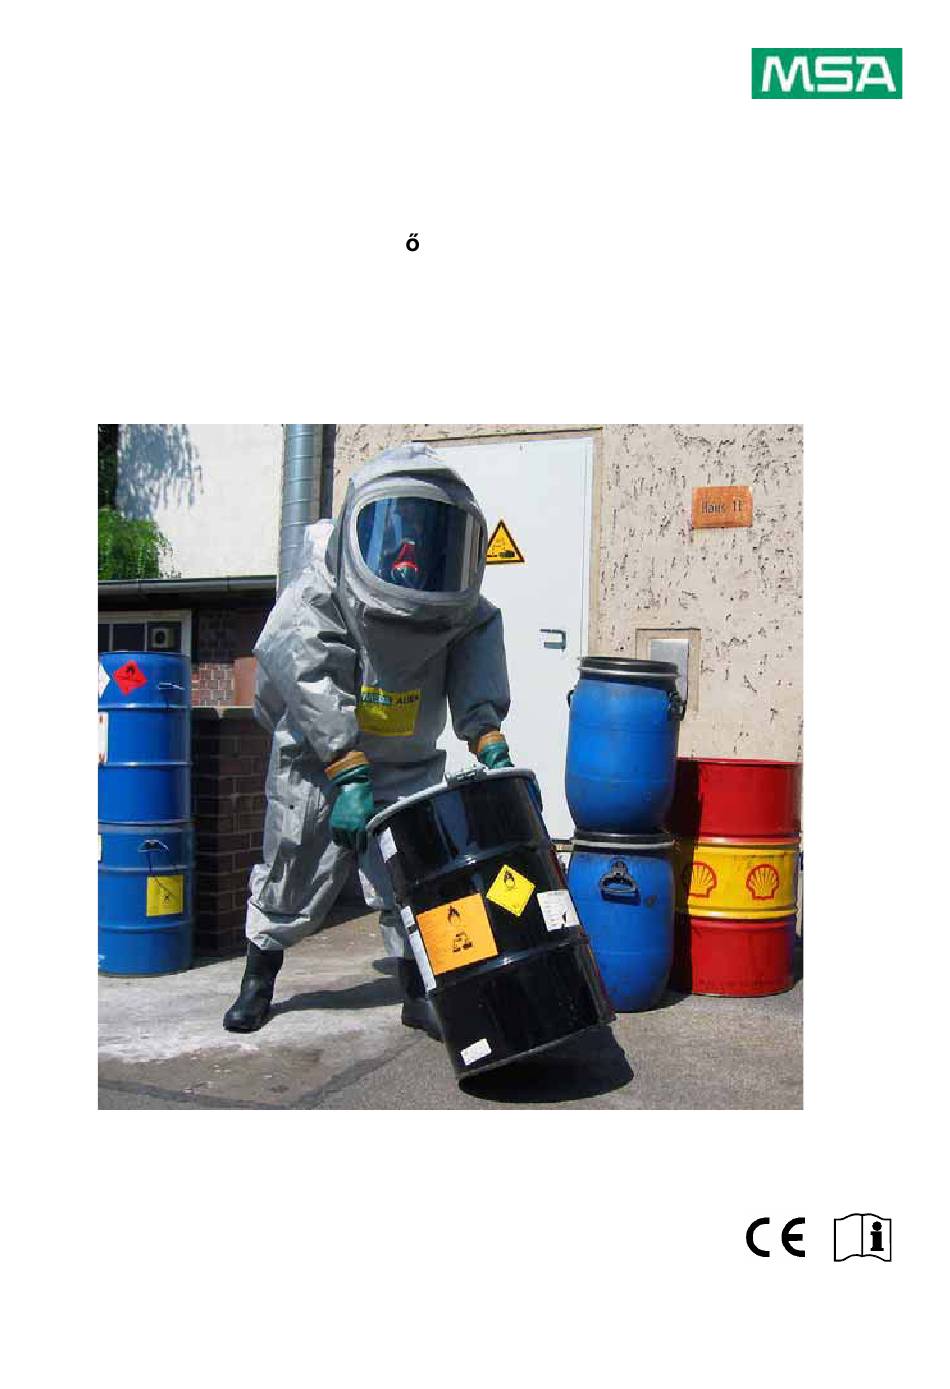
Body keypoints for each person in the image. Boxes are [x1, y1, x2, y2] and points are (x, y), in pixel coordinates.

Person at [223, 444, 513, 1036]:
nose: (410, 553)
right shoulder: (320, 591)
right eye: (400, 533)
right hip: (318, 763)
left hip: (406, 764)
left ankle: (417, 993)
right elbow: (307, 672)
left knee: (412, 878)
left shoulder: (461, 606)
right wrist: (346, 768)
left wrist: (487, 735)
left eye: (426, 534)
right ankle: (257, 982)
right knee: (291, 867)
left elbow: (474, 668)